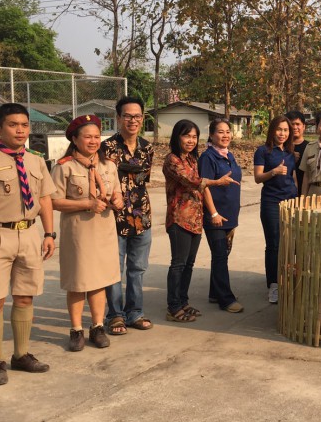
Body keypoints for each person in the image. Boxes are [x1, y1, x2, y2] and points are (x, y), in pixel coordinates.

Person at [0, 103, 56, 385]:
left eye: (25, 125)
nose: (20, 130)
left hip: (28, 234)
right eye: (13, 125)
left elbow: (44, 199)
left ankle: (21, 354)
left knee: (25, 296)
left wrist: (49, 234)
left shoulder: (36, 160)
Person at [52, 115, 123, 351]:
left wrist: (118, 200)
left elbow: (117, 192)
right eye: (87, 137)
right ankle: (76, 330)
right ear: (74, 139)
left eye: (96, 136)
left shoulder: (108, 165)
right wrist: (87, 204)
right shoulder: (64, 166)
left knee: (99, 281)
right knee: (77, 282)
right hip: (78, 232)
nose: (93, 141)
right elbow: (54, 201)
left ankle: (97, 326)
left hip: (103, 230)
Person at [163, 119, 231, 322]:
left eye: (194, 137)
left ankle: (183, 302)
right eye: (187, 136)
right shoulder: (172, 160)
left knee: (189, 264)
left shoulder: (193, 159)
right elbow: (191, 181)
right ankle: (173, 307)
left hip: (196, 219)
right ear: (177, 137)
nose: (191, 140)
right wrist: (217, 182)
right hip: (179, 219)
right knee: (178, 264)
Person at [100, 96, 154, 335]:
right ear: (118, 118)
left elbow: (144, 180)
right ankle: (114, 315)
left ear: (142, 119)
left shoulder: (147, 147)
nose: (133, 120)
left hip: (142, 215)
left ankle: (135, 313)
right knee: (114, 268)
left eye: (137, 116)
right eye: (128, 116)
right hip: (114, 217)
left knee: (138, 268)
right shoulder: (107, 148)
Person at [198, 119, 244, 313]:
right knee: (219, 255)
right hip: (215, 216)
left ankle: (215, 293)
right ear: (211, 135)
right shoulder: (207, 157)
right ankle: (225, 299)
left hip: (229, 215)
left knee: (222, 254)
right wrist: (214, 213)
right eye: (220, 132)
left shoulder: (228, 155)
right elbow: (204, 185)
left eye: (227, 131)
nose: (225, 135)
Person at [254, 115, 298, 304]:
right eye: (279, 129)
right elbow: (257, 178)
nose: (282, 133)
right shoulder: (263, 151)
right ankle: (273, 285)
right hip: (271, 202)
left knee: (290, 242)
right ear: (272, 130)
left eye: (286, 130)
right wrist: (274, 172)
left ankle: (287, 279)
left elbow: (293, 178)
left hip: (291, 201)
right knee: (273, 244)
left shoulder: (291, 153)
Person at [285, 111, 310, 194]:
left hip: (307, 192)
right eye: (292, 124)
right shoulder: (281, 147)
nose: (295, 127)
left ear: (304, 126)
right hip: (285, 193)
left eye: (298, 124)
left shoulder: (311, 147)